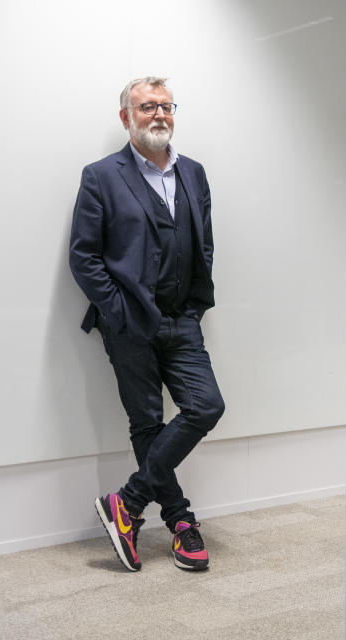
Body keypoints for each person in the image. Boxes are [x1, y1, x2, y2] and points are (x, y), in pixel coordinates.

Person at [69, 77, 225, 572]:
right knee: (146, 424)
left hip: (182, 320)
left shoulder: (194, 173)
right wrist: (118, 311)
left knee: (205, 407)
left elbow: (204, 245)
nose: (159, 114)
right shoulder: (101, 175)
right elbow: (84, 256)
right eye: (146, 107)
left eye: (165, 106)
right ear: (126, 118)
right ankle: (181, 522)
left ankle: (128, 503)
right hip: (129, 324)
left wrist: (195, 307)